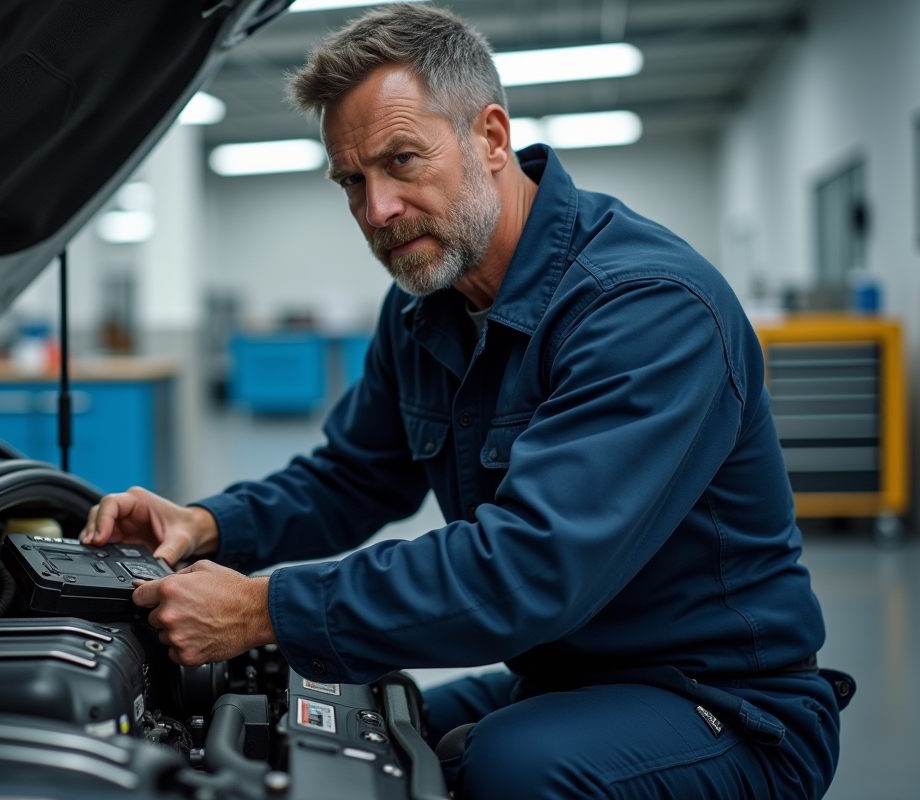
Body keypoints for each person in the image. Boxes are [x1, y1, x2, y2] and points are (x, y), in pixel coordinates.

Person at [80, 5, 847, 798]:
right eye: (353, 181)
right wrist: (208, 525)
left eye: (402, 161)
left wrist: (263, 608)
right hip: (565, 674)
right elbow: (354, 475)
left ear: (490, 137)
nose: (377, 210)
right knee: (359, 721)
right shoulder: (425, 304)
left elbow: (531, 567)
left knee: (509, 766)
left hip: (724, 704)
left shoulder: (647, 307)